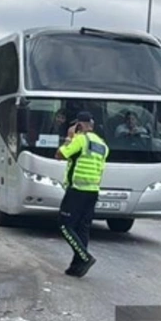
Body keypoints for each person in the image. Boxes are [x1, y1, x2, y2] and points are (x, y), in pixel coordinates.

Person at [54, 110, 109, 277]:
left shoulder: (80, 140)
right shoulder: (102, 144)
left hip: (76, 189)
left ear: (79, 125)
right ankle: (76, 266)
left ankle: (84, 258)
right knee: (82, 228)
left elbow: (60, 155)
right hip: (93, 191)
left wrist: (69, 138)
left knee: (65, 226)